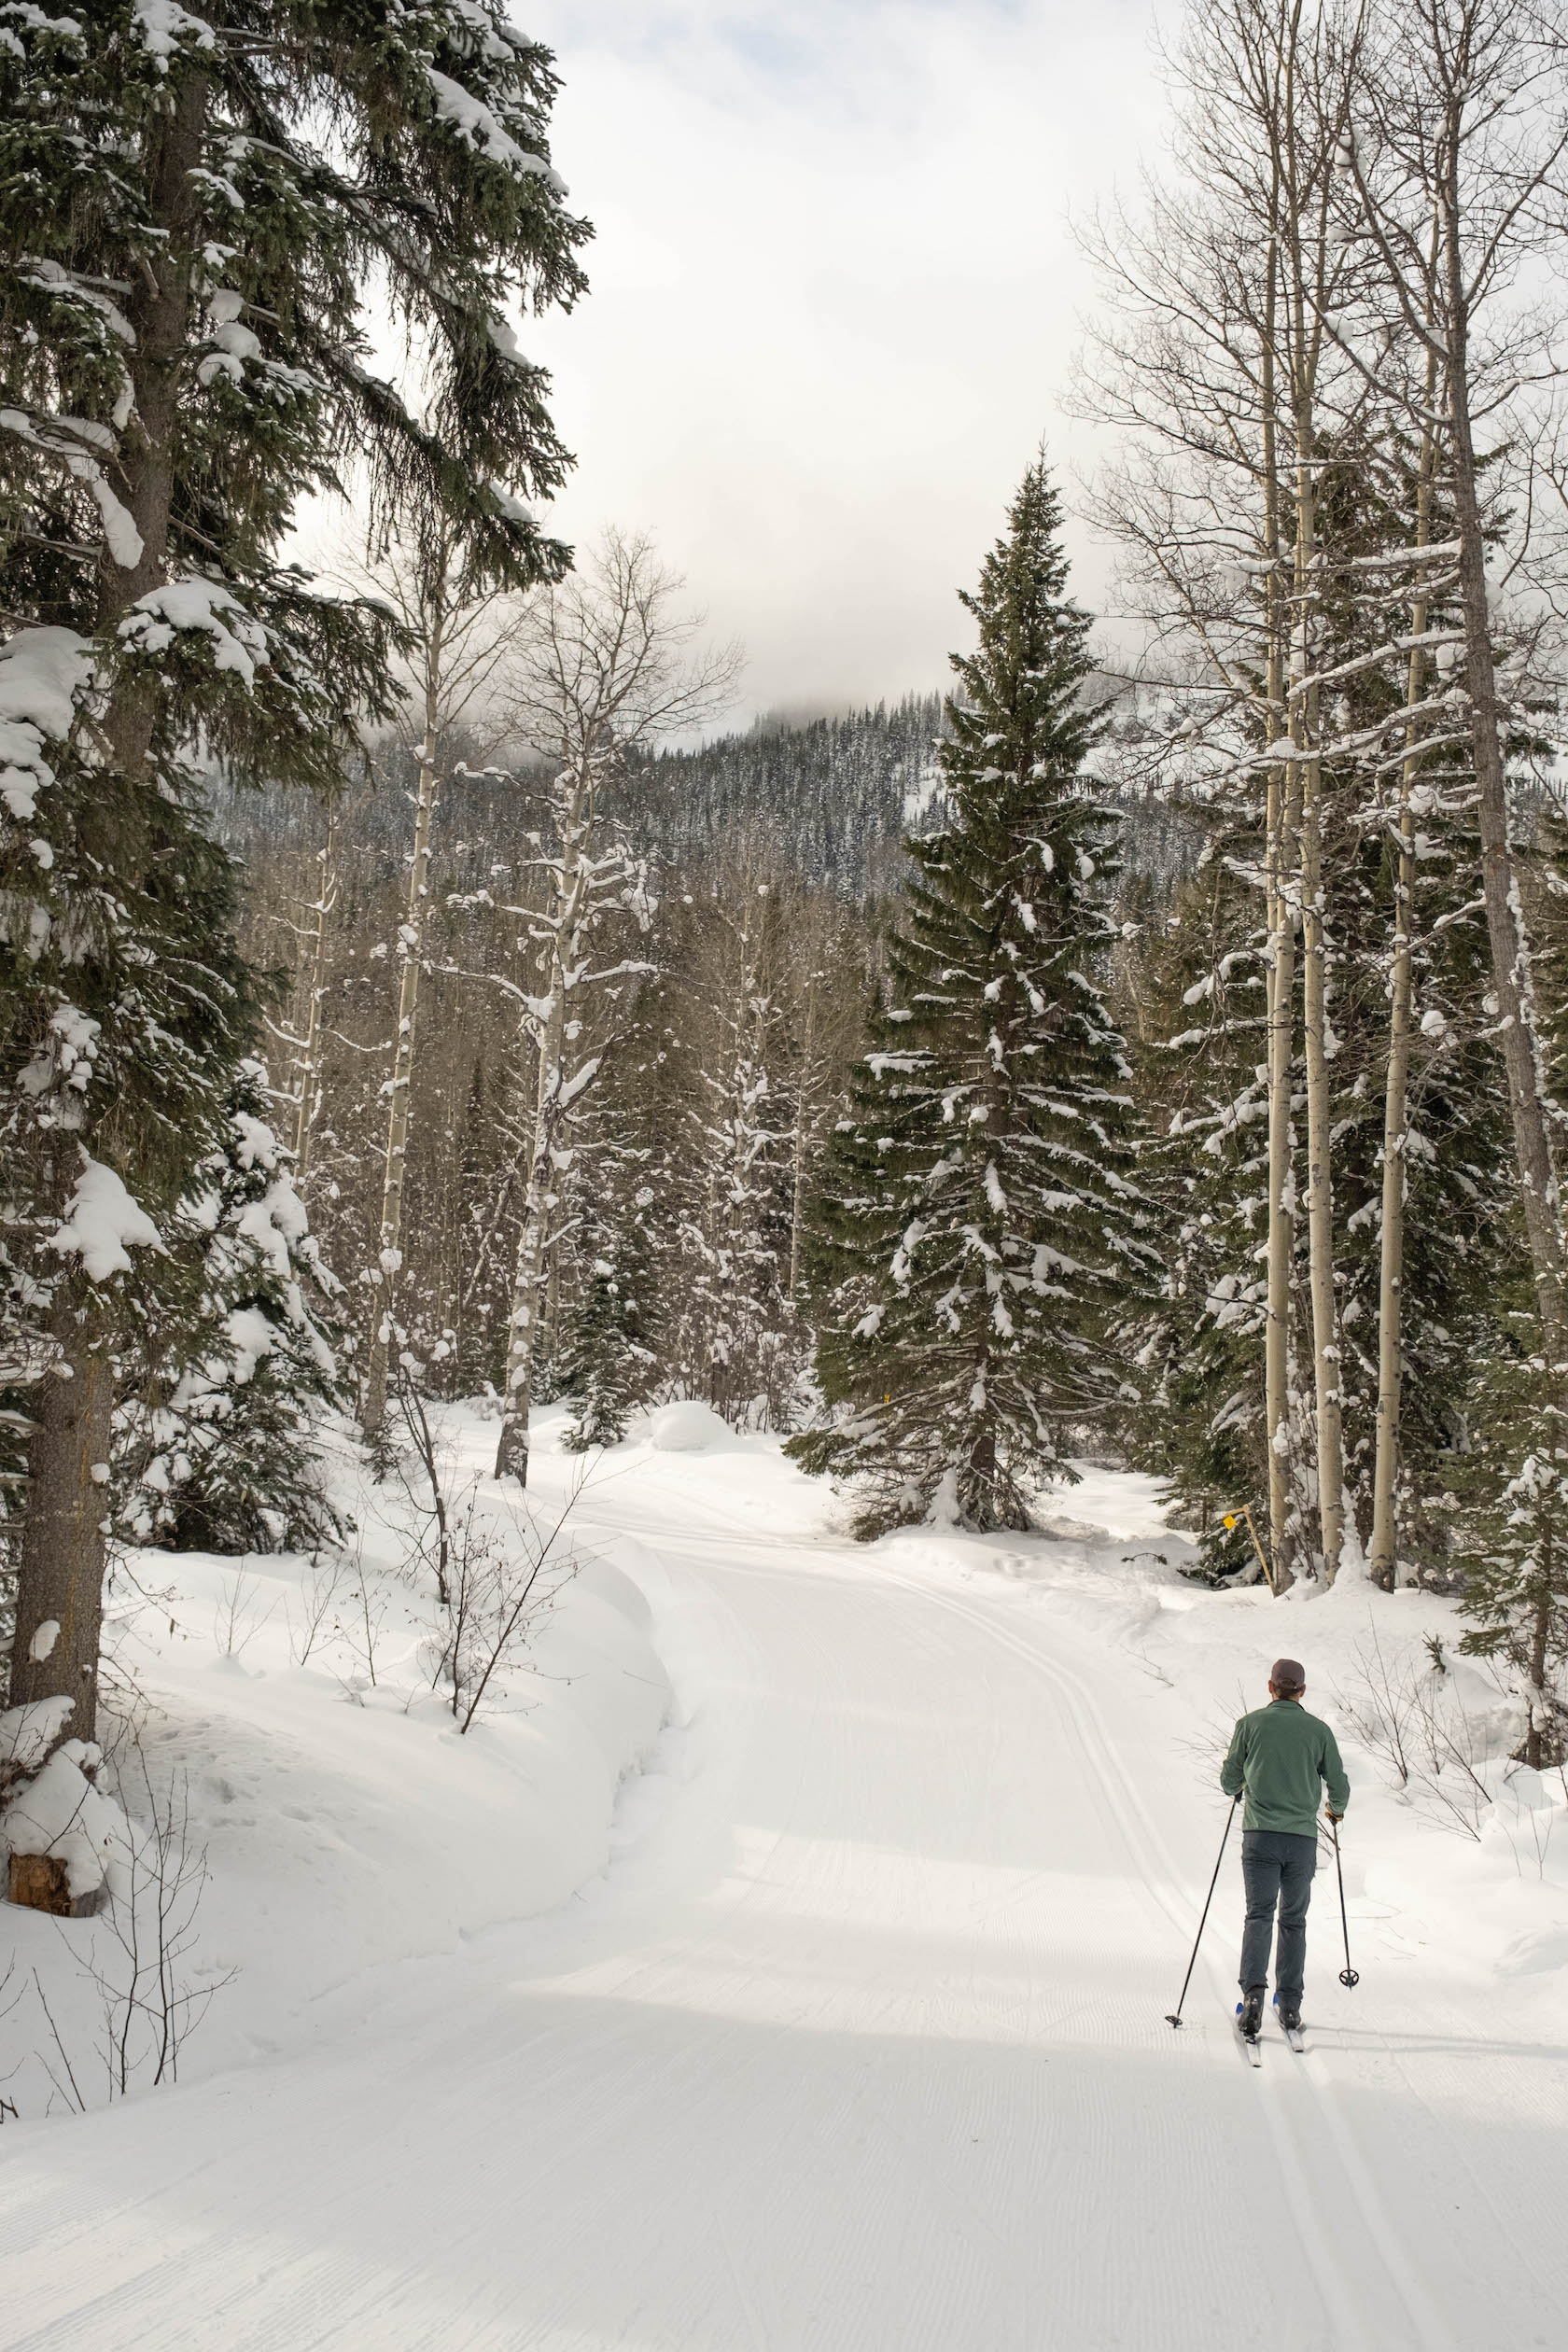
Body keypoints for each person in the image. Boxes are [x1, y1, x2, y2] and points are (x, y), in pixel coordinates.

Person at [1219, 1658, 1350, 2037]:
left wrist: (1240, 1785)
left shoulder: (1250, 1724)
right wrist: (1334, 1811)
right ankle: (1290, 2004)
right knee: (1294, 1920)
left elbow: (1229, 1780)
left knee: (1258, 1915)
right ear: (1302, 1692)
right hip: (1301, 1840)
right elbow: (1339, 1784)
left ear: (1270, 1687)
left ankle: (1253, 1997)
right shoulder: (1319, 1730)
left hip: (1259, 1835)